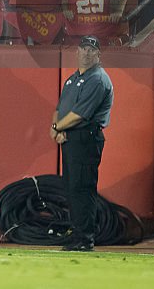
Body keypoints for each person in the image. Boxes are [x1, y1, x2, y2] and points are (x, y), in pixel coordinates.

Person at [52, 36, 114, 252]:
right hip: (71, 138)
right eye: (84, 48)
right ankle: (77, 235)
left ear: (99, 55)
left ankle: (85, 238)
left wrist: (58, 128)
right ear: (77, 51)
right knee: (72, 187)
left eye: (92, 50)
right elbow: (61, 108)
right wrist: (56, 127)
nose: (87, 53)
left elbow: (80, 114)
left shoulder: (98, 79)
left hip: (86, 137)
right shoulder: (72, 79)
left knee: (83, 188)